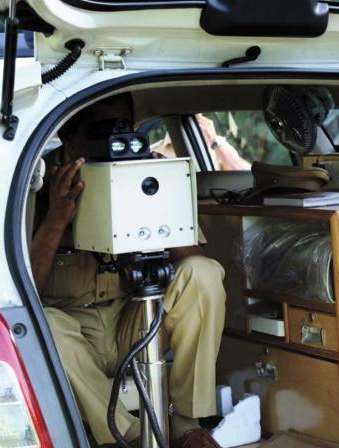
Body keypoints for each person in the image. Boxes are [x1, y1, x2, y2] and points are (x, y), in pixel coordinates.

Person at [30, 94, 226, 448]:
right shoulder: (35, 183)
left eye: (123, 130)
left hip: (132, 319)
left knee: (203, 274)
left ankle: (186, 422)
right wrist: (56, 218)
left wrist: (155, 196)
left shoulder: (144, 172)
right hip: (72, 333)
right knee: (41, 322)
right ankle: (130, 437)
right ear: (70, 137)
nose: (113, 141)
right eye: (99, 131)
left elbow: (193, 257)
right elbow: (23, 290)